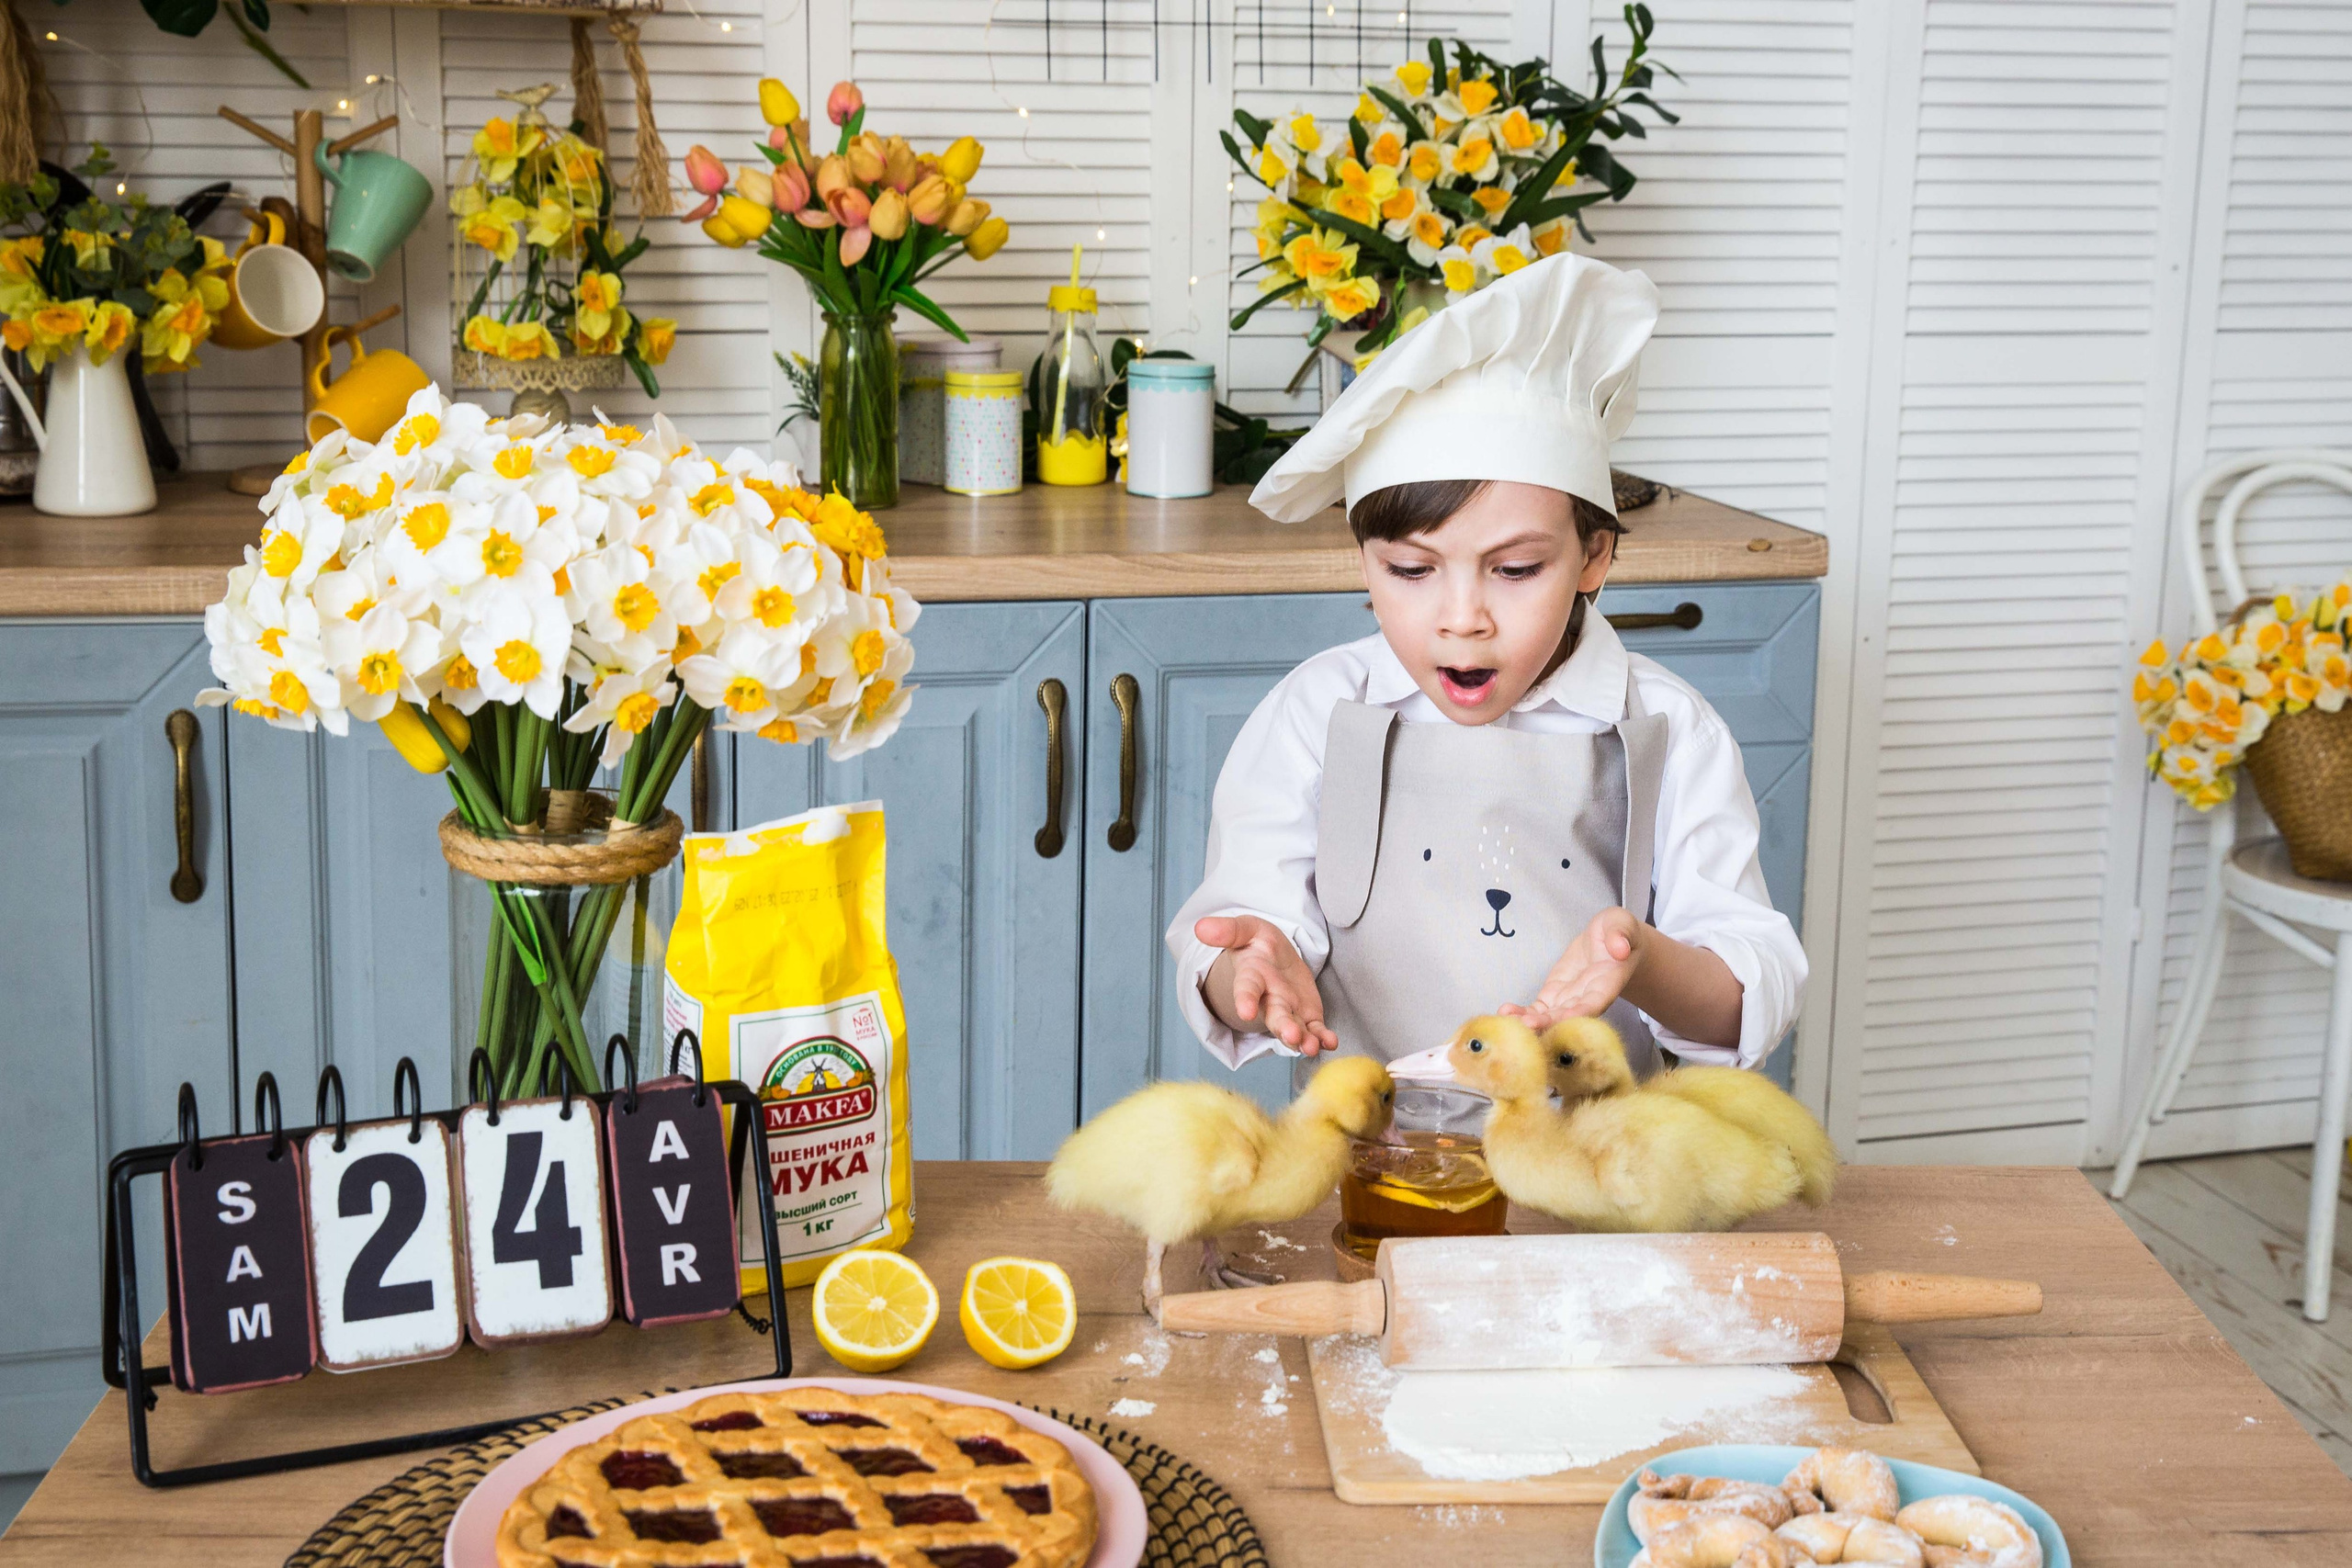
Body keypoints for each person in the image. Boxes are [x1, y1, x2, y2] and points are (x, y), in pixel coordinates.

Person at [1166, 253, 1804, 1089]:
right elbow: (1244, 926)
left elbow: (1748, 991)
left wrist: (1642, 958)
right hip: (1370, 1179)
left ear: (1593, 556)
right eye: (1411, 570)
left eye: (1513, 570)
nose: (1462, 616)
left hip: (1600, 1181)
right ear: (1365, 562)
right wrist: (1243, 965)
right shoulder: (1321, 711)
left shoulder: (1665, 729)